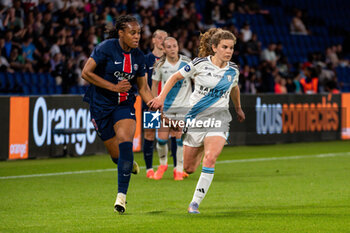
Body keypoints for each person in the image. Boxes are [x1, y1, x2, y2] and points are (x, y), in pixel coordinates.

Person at [148, 28, 245, 213]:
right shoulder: (199, 64)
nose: (228, 51)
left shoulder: (233, 70)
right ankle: (201, 146)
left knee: (210, 158)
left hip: (219, 119)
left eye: (231, 48)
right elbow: (175, 77)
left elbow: (234, 88)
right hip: (195, 120)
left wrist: (238, 107)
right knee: (190, 168)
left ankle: (194, 203)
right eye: (225, 47)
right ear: (214, 47)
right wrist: (160, 98)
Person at [81, 15, 154, 214]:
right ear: (121, 33)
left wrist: (155, 103)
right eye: (133, 32)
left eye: (139, 32)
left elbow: (143, 88)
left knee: (125, 139)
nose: (137, 36)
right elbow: (86, 73)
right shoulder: (105, 48)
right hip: (100, 106)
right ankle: (127, 162)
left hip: (124, 104)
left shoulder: (139, 57)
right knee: (117, 156)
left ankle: (121, 197)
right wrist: (113, 87)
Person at [151, 37, 192, 181]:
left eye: (175, 45)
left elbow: (195, 80)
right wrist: (155, 103)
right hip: (166, 107)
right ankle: (163, 165)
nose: (173, 49)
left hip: (184, 107)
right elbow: (155, 85)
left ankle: (178, 170)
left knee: (180, 139)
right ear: (164, 49)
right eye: (169, 47)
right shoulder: (160, 65)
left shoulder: (187, 62)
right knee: (161, 139)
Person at [143, 29, 168, 179]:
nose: (162, 41)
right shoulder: (146, 59)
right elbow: (144, 83)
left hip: (168, 103)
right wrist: (151, 101)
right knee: (150, 133)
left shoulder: (171, 59)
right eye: (159, 38)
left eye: (165, 38)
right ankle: (149, 169)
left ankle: (174, 167)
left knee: (172, 132)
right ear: (153, 40)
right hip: (151, 103)